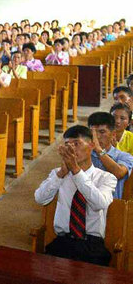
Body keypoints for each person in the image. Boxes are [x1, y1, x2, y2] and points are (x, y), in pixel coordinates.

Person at [34, 125, 117, 266]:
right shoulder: (58, 173)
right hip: (63, 240)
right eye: (67, 145)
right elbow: (40, 199)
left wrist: (76, 171)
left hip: (92, 244)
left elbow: (100, 204)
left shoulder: (106, 177)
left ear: (91, 146)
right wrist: (60, 174)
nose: (71, 149)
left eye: (77, 144)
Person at [87, 112, 133, 199]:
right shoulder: (84, 154)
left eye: (102, 132)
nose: (96, 137)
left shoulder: (123, 156)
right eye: (92, 132)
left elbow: (119, 173)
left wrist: (99, 150)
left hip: (112, 208)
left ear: (113, 134)